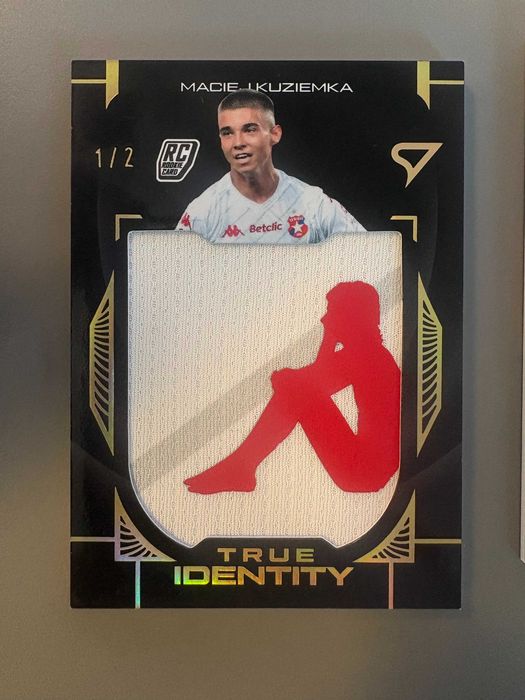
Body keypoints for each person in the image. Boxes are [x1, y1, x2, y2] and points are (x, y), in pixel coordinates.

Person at [184, 282, 401, 494]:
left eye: (331, 312)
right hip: (366, 469)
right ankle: (241, 465)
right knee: (294, 386)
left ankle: (241, 466)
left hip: (364, 470)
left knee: (294, 386)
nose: (324, 319)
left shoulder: (367, 356)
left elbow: (310, 382)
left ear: (349, 317)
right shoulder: (369, 354)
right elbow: (314, 383)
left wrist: (325, 343)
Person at [176, 89, 365, 243]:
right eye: (227, 133)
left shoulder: (313, 203)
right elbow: (173, 272)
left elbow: (367, 253)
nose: (238, 142)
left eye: (250, 130)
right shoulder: (202, 212)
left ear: (275, 134)